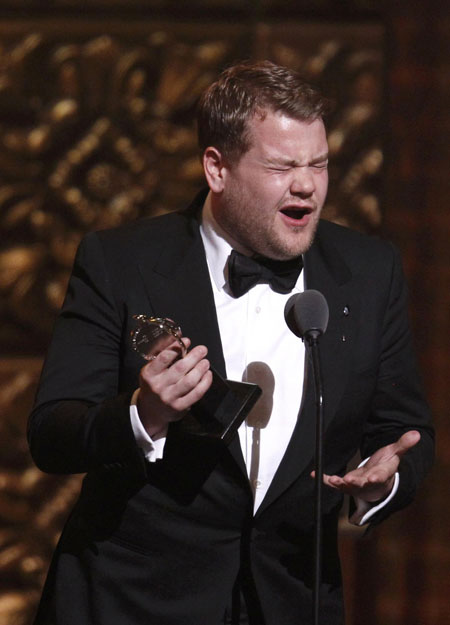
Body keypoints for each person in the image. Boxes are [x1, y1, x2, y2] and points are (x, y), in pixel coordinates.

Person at [28, 61, 434, 625]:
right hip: (135, 602)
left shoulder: (368, 272)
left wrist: (383, 481)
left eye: (319, 164)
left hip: (291, 602)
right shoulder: (122, 262)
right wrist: (143, 415)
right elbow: (52, 433)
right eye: (281, 166)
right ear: (216, 168)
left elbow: (402, 430)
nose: (307, 185)